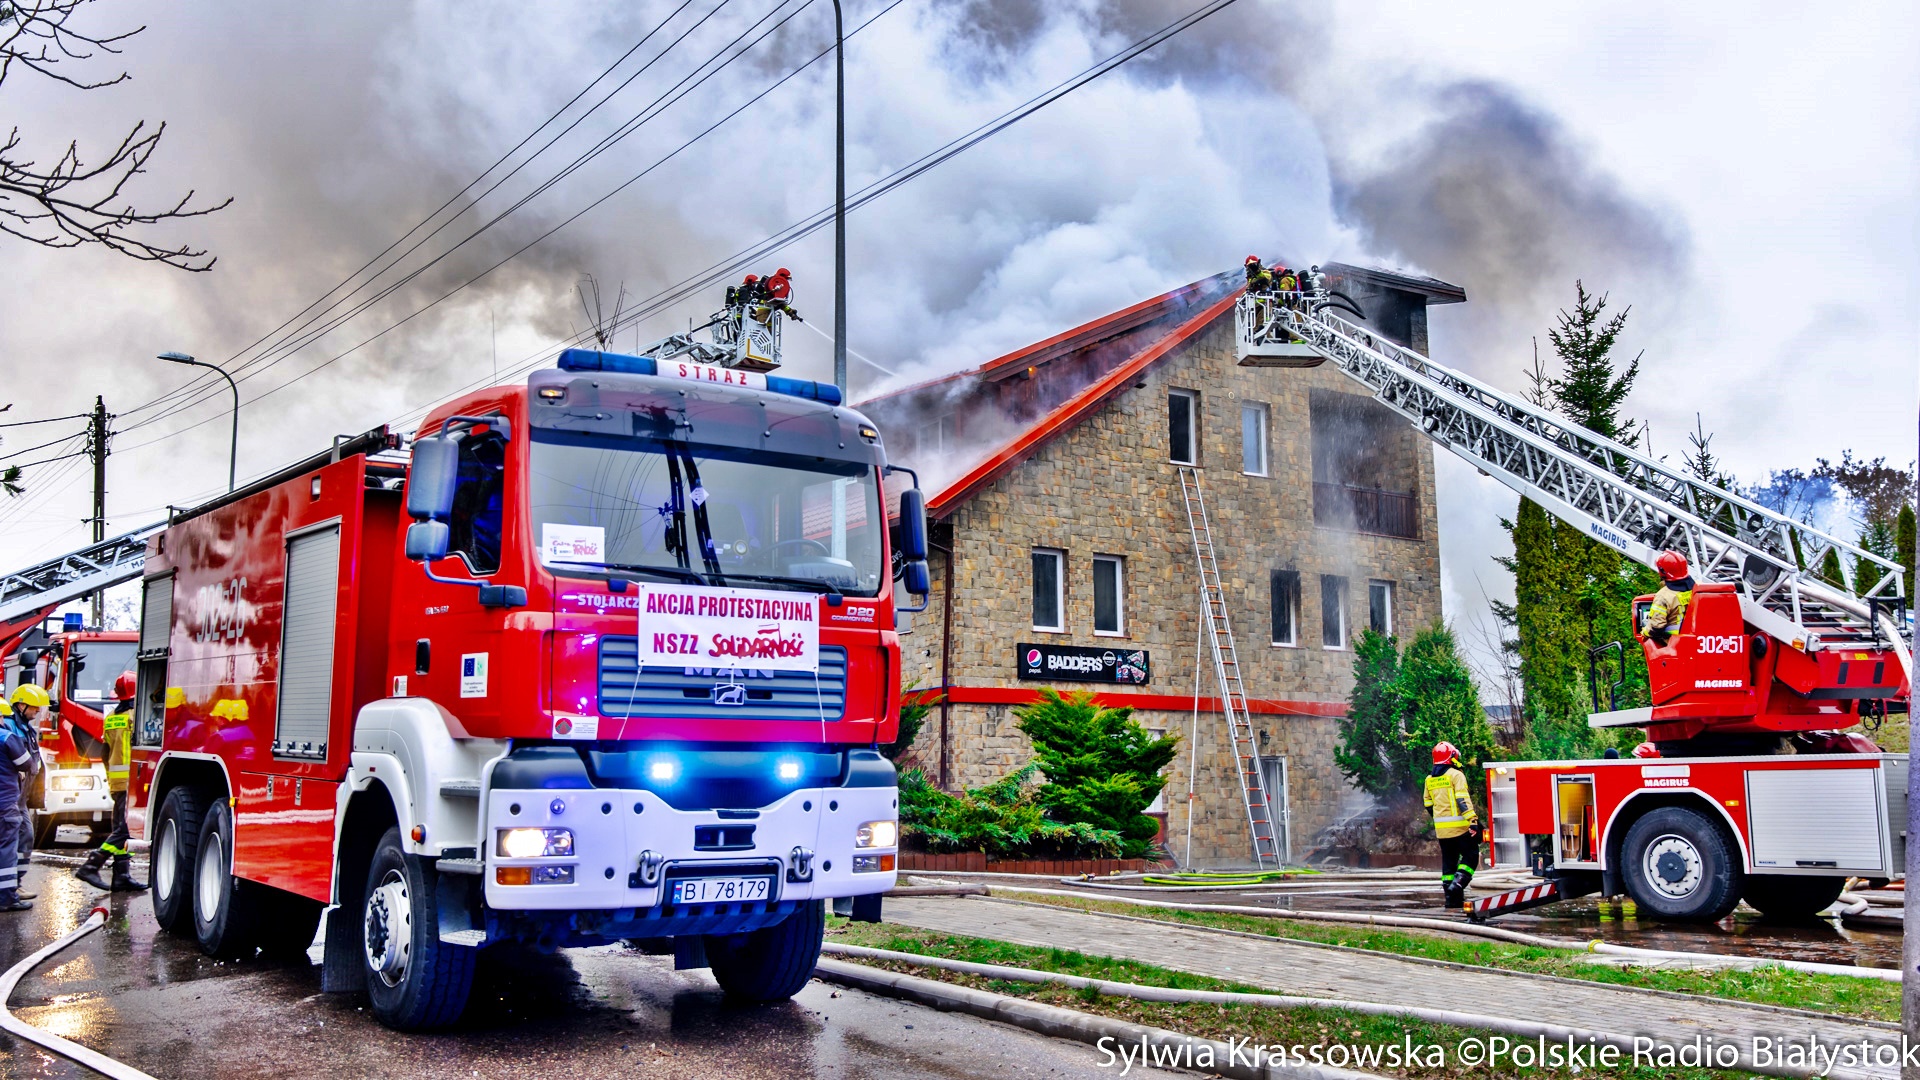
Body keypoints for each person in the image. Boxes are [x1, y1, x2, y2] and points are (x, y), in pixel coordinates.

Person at [75, 672, 145, 893]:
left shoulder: (113, 716)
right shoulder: (137, 716)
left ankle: (121, 876)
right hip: (131, 782)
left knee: (122, 829)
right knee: (124, 830)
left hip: (117, 782)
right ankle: (91, 865)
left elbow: (105, 753)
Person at [0, 685, 48, 911]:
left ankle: (13, 885)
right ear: (21, 705)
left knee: (25, 836)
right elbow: (24, 762)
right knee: (10, 842)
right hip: (11, 796)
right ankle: (8, 890)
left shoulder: (26, 729)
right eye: (34, 707)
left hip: (19, 796)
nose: (37, 711)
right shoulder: (9, 729)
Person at [1423, 741, 1480, 910]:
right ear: (1451, 757)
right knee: (1471, 856)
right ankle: (1458, 885)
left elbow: (1428, 803)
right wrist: (1473, 821)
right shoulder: (1456, 775)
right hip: (1460, 828)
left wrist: (1439, 818)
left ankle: (1451, 900)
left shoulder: (1429, 780)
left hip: (1442, 831)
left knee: (1449, 864)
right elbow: (1462, 800)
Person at [1643, 550, 1695, 647]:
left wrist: (1644, 632)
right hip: (1697, 643)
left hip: (1674, 645)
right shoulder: (1698, 589)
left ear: (1662, 571)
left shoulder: (1663, 596)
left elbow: (1656, 627)